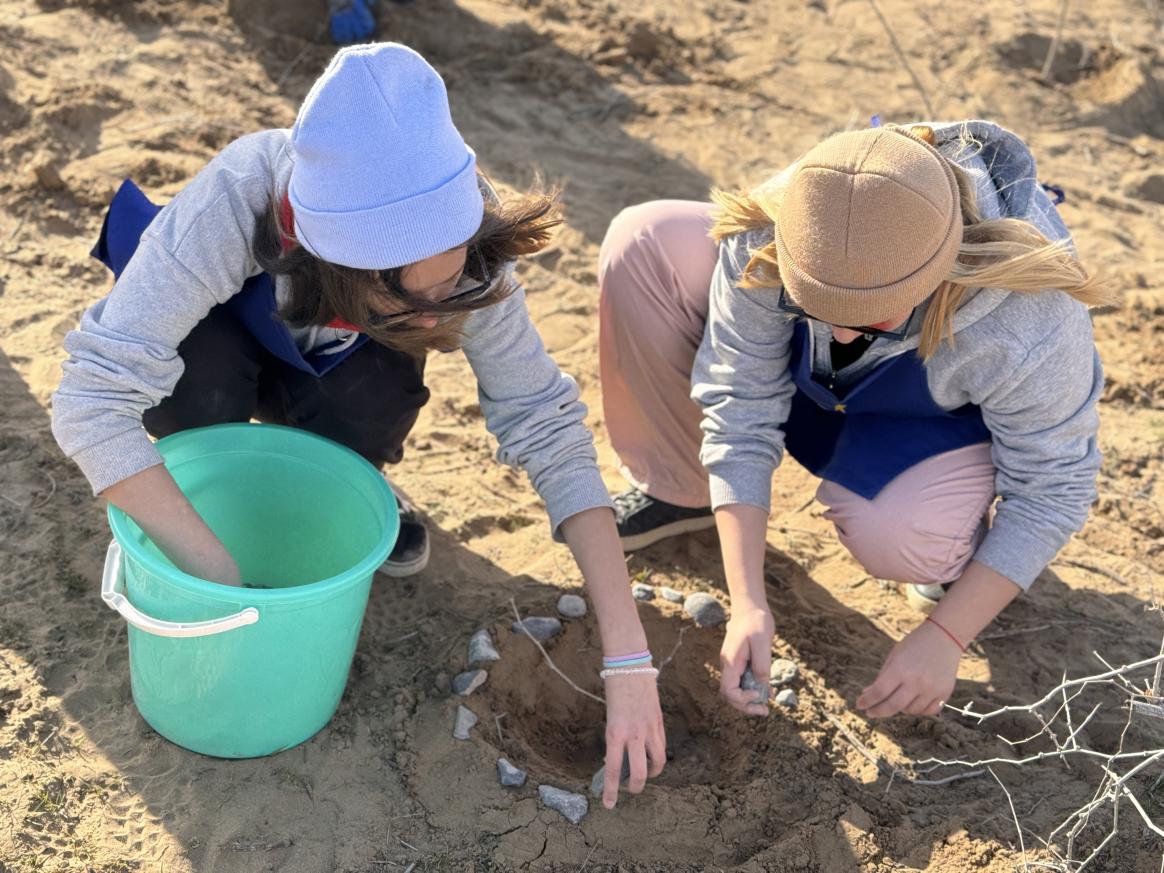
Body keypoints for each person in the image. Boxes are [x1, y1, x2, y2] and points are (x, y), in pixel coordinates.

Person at [51, 43, 663, 808]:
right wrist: (217, 570)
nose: (447, 310)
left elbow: (547, 421)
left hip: (339, 362)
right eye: (420, 295)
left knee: (374, 395)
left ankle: (346, 482)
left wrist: (629, 654)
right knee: (193, 371)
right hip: (229, 346)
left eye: (455, 279)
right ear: (343, 262)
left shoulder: (460, 243)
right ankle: (194, 497)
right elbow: (87, 398)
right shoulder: (238, 198)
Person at [598, 121, 1114, 720]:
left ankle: (954, 553)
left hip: (928, 420)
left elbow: (1054, 488)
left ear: (937, 275)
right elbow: (740, 400)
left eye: (870, 318)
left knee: (903, 536)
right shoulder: (780, 226)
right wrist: (748, 602)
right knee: (647, 239)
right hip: (810, 389)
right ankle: (684, 489)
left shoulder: (1029, 316)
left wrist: (945, 636)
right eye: (813, 305)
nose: (841, 333)